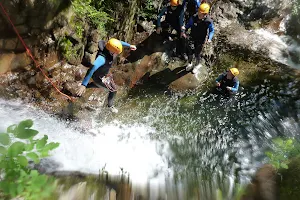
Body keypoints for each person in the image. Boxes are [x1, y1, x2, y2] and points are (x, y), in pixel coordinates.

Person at [76, 38, 137, 113]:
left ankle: (85, 86)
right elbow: (92, 68)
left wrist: (129, 45)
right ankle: (110, 106)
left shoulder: (109, 45)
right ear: (111, 51)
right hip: (99, 77)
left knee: (99, 85)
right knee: (113, 90)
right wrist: (83, 84)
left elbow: (118, 43)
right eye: (116, 53)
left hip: (104, 73)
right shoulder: (102, 59)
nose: (118, 54)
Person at [182, 3, 214, 71]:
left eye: (201, 13)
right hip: (192, 37)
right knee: (190, 51)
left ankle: (197, 65)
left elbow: (211, 31)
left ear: (205, 14)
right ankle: (190, 63)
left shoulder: (208, 21)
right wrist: (184, 28)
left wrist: (209, 39)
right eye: (199, 11)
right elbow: (189, 25)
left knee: (197, 54)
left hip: (201, 39)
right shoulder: (194, 17)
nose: (199, 13)